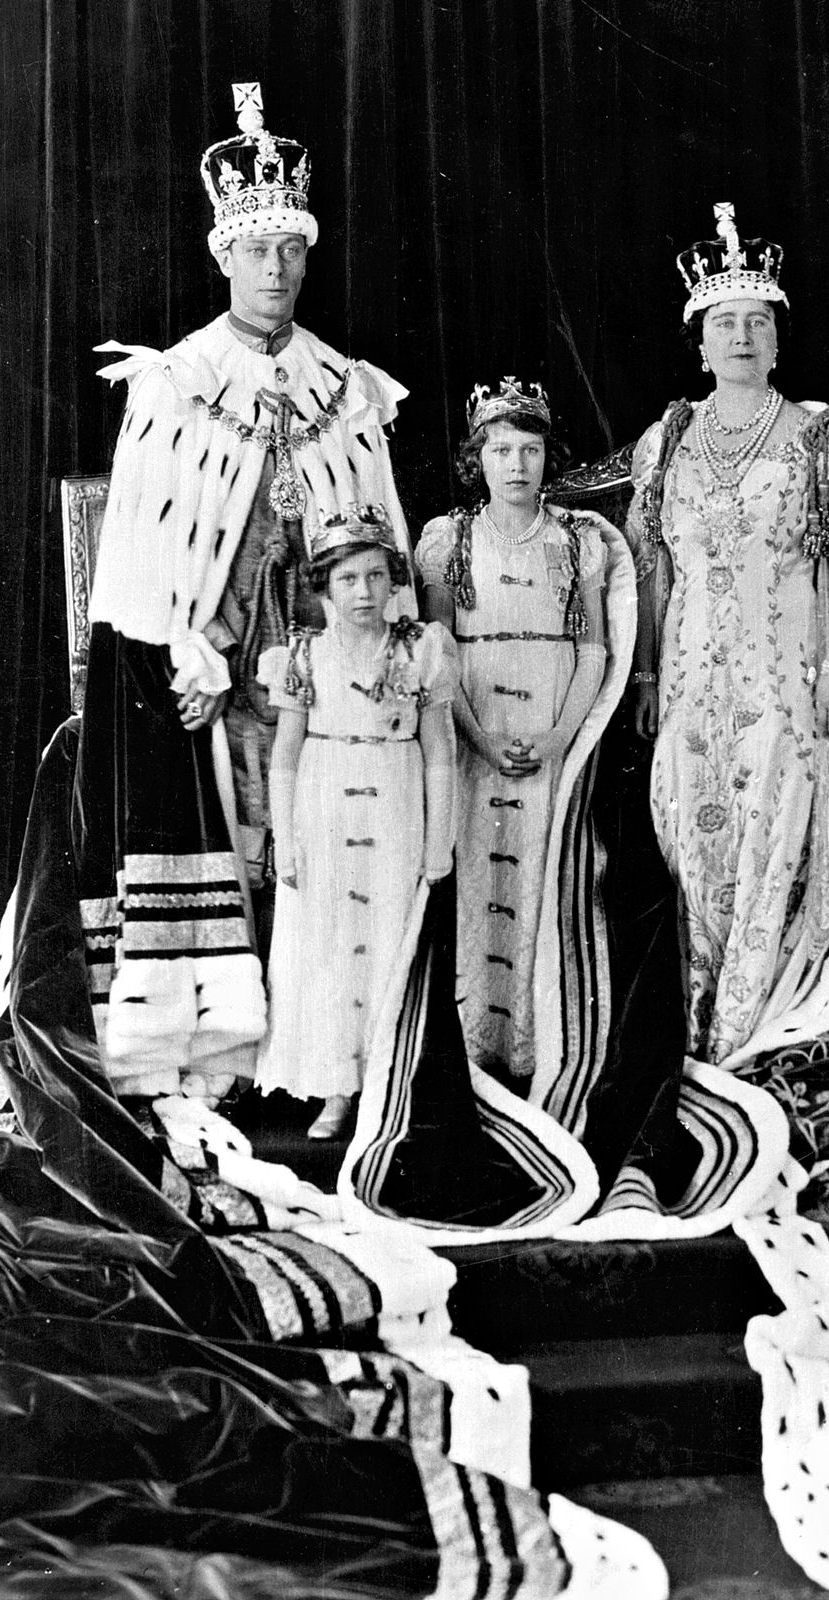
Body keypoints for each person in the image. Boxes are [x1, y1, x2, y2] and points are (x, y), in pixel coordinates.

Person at [76, 82, 413, 1107]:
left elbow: (381, 544)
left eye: (290, 251)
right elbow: (135, 558)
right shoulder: (172, 385)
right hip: (207, 666)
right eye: (255, 251)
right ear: (223, 254)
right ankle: (216, 1051)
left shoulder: (345, 386)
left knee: (315, 844)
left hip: (321, 659)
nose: (274, 269)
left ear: (305, 257)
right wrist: (185, 651)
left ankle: (323, 1054)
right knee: (232, 840)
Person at [627, 203, 829, 1068]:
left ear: (778, 341)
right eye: (724, 323)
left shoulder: (825, 436)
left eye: (757, 322)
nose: (742, 336)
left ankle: (751, 1029)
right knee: (688, 822)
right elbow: (650, 571)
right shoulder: (668, 439)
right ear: (700, 341)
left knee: (772, 827)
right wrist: (644, 679)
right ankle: (699, 1015)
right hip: (687, 679)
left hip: (786, 675)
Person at [418, 380, 633, 1094]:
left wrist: (557, 738)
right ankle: (476, 1047)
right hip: (475, 733)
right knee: (480, 878)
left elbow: (595, 650)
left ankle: (542, 1047)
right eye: (500, 450)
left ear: (549, 457)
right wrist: (478, 738)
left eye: (530, 450)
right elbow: (439, 650)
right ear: (476, 459)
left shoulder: (578, 543)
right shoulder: (449, 540)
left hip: (552, 734)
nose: (516, 465)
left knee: (548, 882)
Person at [254, 506, 457, 1139]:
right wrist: (285, 841)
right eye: (348, 580)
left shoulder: (421, 650)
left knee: (389, 940)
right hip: (324, 806)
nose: (364, 592)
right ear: (324, 588)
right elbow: (284, 758)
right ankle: (336, 1088)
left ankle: (386, 1082)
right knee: (329, 946)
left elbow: (441, 753)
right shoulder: (303, 656)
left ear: (395, 580)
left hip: (396, 807)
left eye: (375, 576)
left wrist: (438, 844)